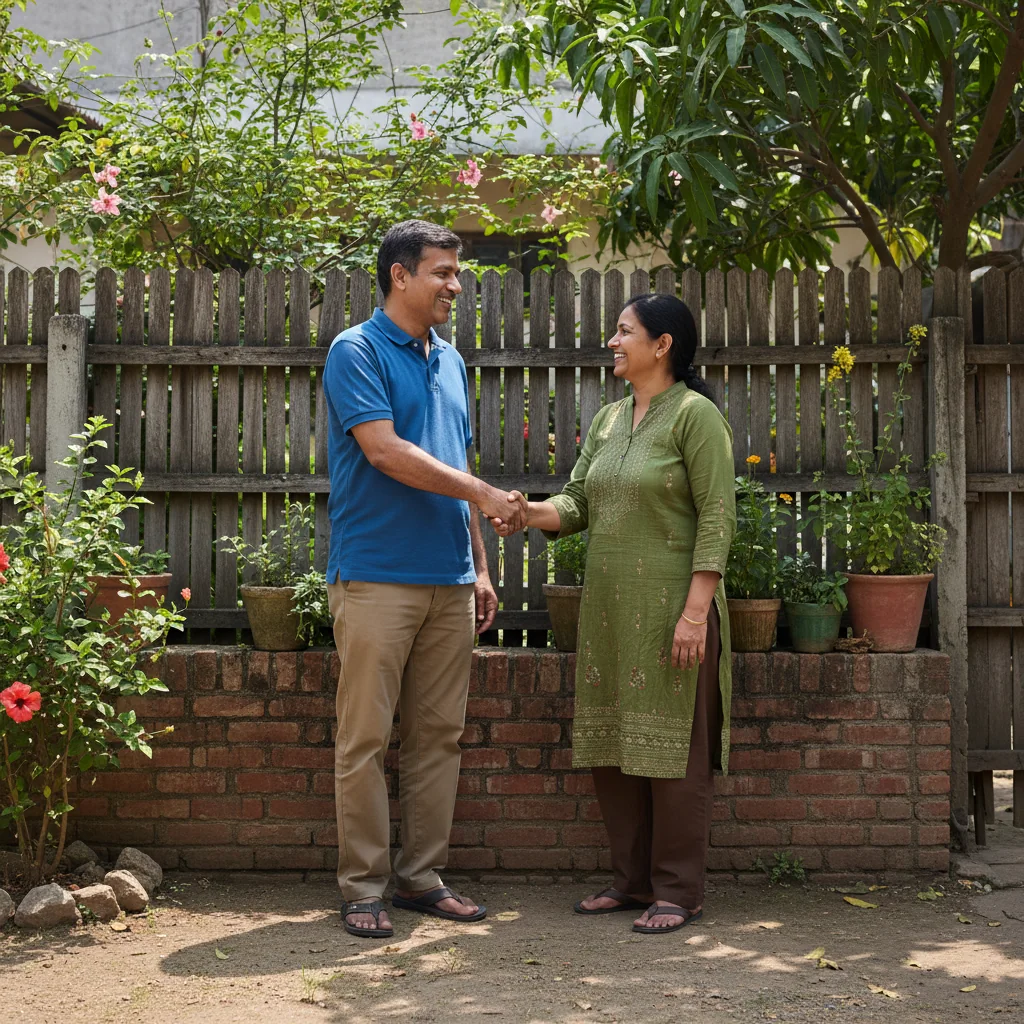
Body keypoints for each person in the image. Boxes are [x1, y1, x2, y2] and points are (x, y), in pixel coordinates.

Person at [493, 293, 735, 934]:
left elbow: (717, 516)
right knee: (613, 748)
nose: (612, 341)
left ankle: (678, 892)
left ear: (663, 345)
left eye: (624, 331)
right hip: (609, 615)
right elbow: (576, 503)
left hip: (671, 614)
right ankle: (630, 883)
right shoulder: (607, 420)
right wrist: (525, 514)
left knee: (675, 753)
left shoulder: (696, 416)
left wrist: (694, 613)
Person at [322, 220, 526, 939]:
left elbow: (450, 459)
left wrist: (478, 564)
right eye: (442, 272)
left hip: (448, 578)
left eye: (457, 273)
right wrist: (482, 494)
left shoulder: (452, 361)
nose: (455, 286)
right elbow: (386, 451)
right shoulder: (357, 350)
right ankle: (363, 886)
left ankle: (420, 879)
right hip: (375, 577)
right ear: (399, 276)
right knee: (366, 739)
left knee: (440, 736)